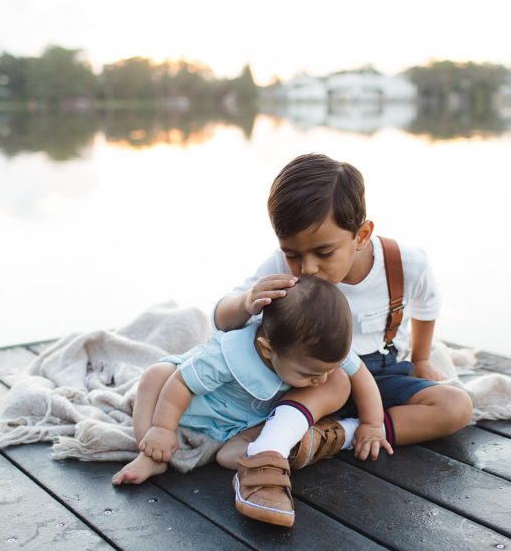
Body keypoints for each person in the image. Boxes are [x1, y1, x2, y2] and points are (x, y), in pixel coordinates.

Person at [213, 152, 473, 470]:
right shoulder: (281, 266)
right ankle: (273, 443)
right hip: (315, 380)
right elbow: (221, 319)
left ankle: (341, 435)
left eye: (324, 252)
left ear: (361, 236)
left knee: (457, 405)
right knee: (333, 382)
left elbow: (427, 306)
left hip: (383, 374)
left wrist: (420, 360)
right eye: (292, 253)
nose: (307, 267)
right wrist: (245, 302)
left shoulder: (404, 264)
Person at [112, 276, 390, 527]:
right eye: (309, 374)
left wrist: (372, 423)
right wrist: (162, 427)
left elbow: (360, 375)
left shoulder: (316, 351)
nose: (321, 380)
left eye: (326, 370)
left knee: (233, 455)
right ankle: (150, 454)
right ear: (267, 350)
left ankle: (267, 454)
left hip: (244, 424)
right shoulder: (228, 356)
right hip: (190, 408)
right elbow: (181, 384)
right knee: (155, 376)